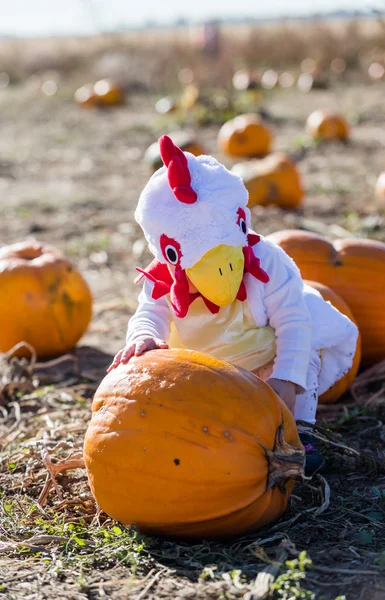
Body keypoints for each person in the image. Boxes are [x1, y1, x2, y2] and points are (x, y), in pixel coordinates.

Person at [109, 135, 359, 474]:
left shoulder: (266, 261)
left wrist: (286, 378)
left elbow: (293, 320)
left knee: (303, 358)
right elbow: (149, 311)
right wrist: (143, 336)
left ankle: (298, 434)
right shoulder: (165, 278)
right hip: (203, 368)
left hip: (262, 355)